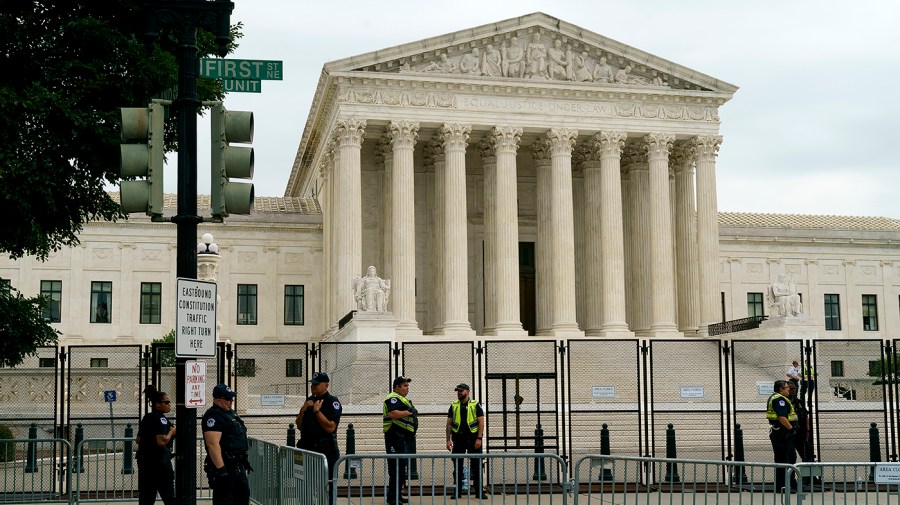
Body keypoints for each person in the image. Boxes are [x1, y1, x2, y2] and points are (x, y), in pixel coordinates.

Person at [202, 384, 250, 505]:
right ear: (218, 400)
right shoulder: (213, 416)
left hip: (237, 465)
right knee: (225, 499)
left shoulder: (230, 413)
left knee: (243, 496)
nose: (231, 402)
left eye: (232, 399)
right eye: (228, 399)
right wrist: (221, 469)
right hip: (225, 465)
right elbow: (212, 444)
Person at [295, 372, 341, 496]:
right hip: (307, 449)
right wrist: (303, 410)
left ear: (326, 385)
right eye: (312, 384)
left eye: (316, 384)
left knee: (328, 487)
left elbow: (330, 427)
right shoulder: (310, 400)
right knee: (305, 487)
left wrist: (316, 411)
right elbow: (299, 425)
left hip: (325, 450)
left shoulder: (332, 402)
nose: (313, 387)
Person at [136, 385, 175, 505]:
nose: (169, 404)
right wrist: (172, 432)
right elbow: (162, 441)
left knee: (146, 497)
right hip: (159, 463)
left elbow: (138, 439)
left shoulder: (147, 417)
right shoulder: (160, 419)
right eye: (166, 402)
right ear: (158, 404)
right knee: (168, 495)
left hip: (145, 463)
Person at [446, 383, 485, 499]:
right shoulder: (453, 406)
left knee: (476, 466)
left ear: (468, 391)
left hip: (473, 439)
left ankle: (479, 492)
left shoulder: (475, 405)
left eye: (461, 391)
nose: (459, 393)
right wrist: (448, 440)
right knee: (457, 466)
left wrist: (479, 438)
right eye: (458, 391)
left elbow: (481, 422)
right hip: (458, 440)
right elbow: (449, 424)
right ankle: (457, 492)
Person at [383, 376, 417, 505]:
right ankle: (392, 497)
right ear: (396, 387)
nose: (407, 388)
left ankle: (398, 494)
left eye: (407, 386)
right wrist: (408, 412)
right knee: (395, 468)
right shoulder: (392, 398)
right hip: (394, 438)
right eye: (404, 386)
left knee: (402, 468)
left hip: (402, 438)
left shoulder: (403, 399)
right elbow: (393, 414)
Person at [766, 380, 797, 492]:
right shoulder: (779, 400)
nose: (789, 389)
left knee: (787, 458)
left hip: (780, 432)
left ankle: (786, 484)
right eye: (787, 387)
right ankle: (784, 486)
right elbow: (782, 417)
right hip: (782, 433)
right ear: (781, 389)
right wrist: (791, 429)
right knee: (785, 459)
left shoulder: (777, 398)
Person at [787, 382, 812, 462]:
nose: (793, 390)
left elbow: (806, 416)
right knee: (791, 457)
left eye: (794, 388)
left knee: (807, 456)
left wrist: (808, 430)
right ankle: (790, 474)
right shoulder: (784, 403)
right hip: (790, 432)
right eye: (791, 389)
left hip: (801, 433)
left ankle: (807, 474)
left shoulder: (799, 402)